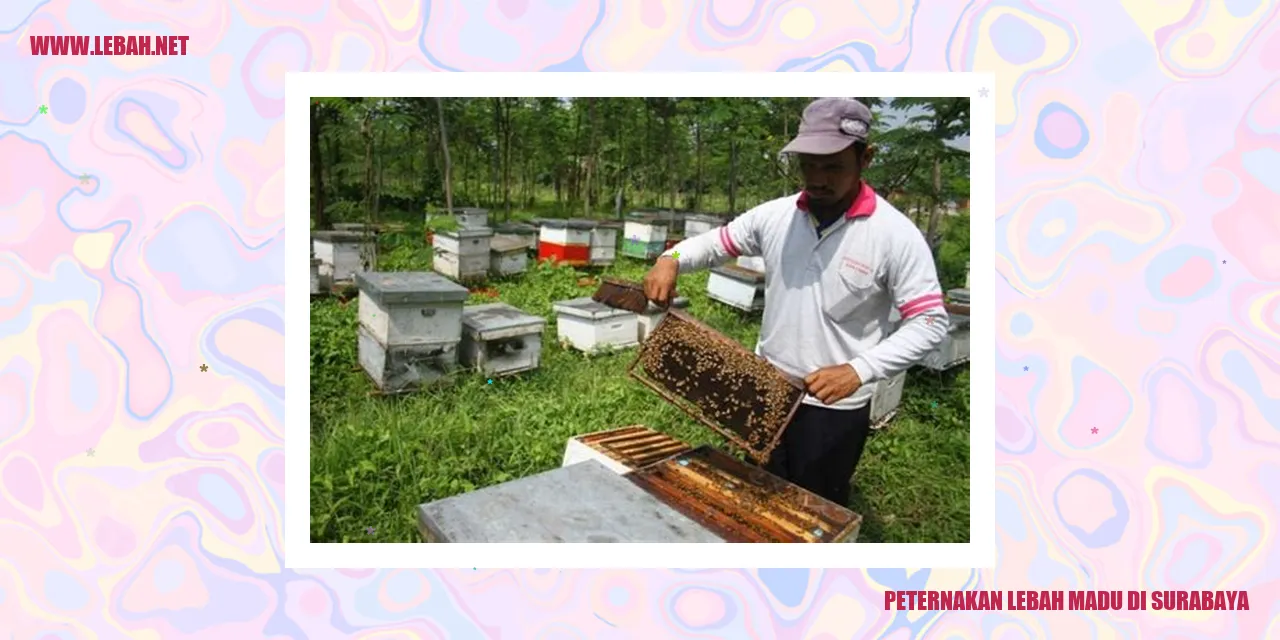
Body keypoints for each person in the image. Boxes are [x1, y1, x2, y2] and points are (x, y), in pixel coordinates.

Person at [642, 97, 950, 507]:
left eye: (833, 166)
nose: (818, 178)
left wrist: (859, 370)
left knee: (811, 507)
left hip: (833, 406)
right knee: (755, 492)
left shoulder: (894, 234)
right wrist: (672, 258)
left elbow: (930, 321)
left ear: (866, 158)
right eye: (809, 165)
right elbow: (717, 244)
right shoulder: (776, 216)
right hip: (764, 385)